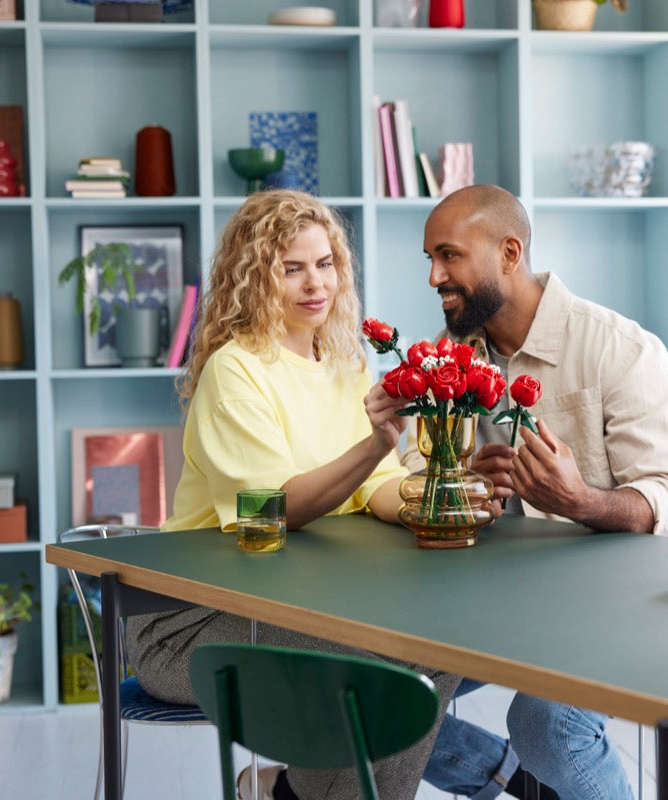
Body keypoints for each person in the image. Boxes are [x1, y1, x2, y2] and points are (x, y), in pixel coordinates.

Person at [125, 189, 461, 800]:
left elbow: (379, 487)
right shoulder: (236, 371)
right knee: (389, 660)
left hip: (288, 603)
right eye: (292, 268)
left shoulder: (345, 363)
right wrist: (376, 445)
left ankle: (292, 794)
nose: (317, 284)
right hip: (189, 623)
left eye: (326, 263)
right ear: (255, 276)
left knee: (442, 644)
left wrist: (440, 502)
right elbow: (275, 510)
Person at [416, 184, 668, 800]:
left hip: (616, 604)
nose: (435, 276)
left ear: (510, 254)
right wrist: (461, 485)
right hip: (493, 600)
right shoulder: (449, 358)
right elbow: (419, 475)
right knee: (380, 695)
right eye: (431, 260)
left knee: (546, 722)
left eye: (449, 256)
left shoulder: (621, 350)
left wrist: (582, 502)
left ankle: (542, 774)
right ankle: (512, 779)